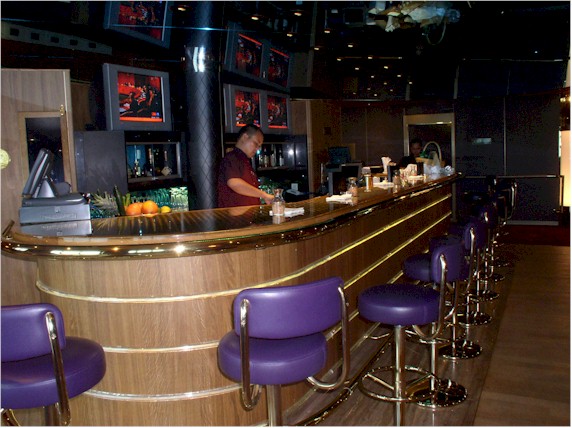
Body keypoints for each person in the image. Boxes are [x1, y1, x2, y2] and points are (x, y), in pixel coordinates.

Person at [217, 124, 274, 208]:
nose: (257, 149)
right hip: (235, 215)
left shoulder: (244, 161)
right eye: (256, 143)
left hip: (247, 214)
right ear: (245, 137)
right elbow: (234, 183)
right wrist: (264, 195)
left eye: (259, 146)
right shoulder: (232, 158)